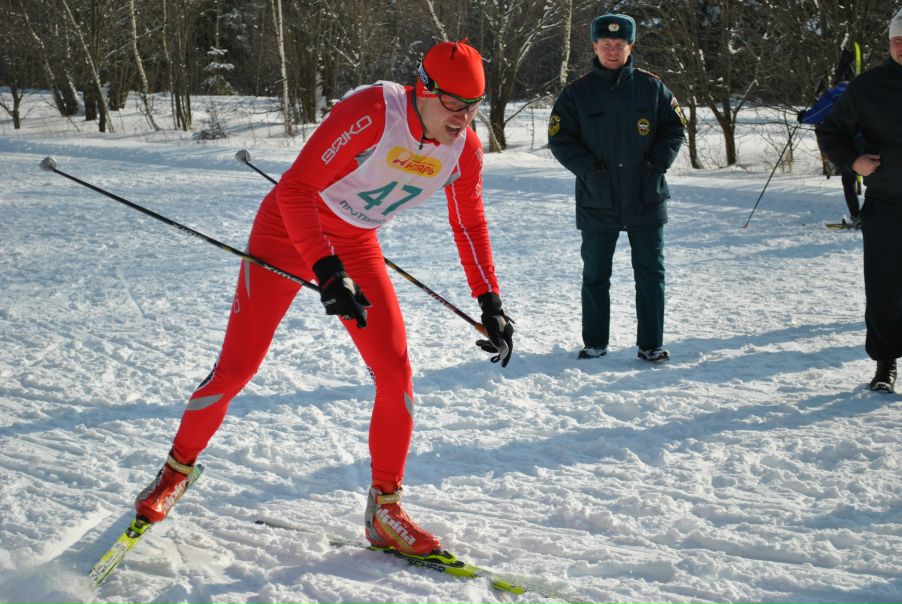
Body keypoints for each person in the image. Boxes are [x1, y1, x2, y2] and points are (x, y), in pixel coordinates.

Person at [134, 39, 514, 555]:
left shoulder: (464, 149)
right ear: (423, 88)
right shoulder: (374, 112)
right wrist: (326, 268)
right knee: (237, 368)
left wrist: (489, 300)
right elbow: (295, 189)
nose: (463, 118)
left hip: (355, 243)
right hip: (287, 232)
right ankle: (175, 471)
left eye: (473, 106)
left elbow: (469, 222)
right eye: (452, 103)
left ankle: (386, 510)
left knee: (395, 372)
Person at [547, 13, 685, 362]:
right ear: (594, 46)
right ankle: (595, 342)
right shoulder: (576, 94)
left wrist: (656, 167)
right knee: (595, 274)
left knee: (650, 274)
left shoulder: (653, 88)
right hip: (597, 198)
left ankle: (651, 344)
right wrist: (590, 172)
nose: (612, 50)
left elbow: (674, 129)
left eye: (619, 44)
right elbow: (561, 139)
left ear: (630, 47)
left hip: (646, 195)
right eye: (606, 44)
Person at [816, 8, 902, 392]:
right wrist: (853, 161)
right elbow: (831, 131)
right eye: (897, 41)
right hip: (886, 204)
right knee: (884, 289)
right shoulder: (868, 87)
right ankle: (886, 363)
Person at [797, 48, 861, 228]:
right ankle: (878, 216)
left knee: (848, 181)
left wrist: (802, 116)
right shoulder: (863, 91)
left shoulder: (834, 93)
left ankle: (857, 217)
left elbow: (815, 116)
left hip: (848, 145)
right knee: (878, 180)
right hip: (870, 141)